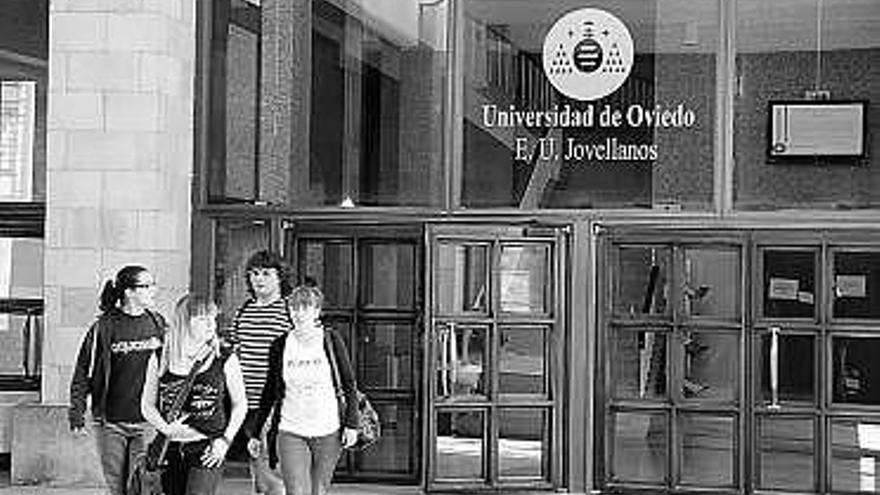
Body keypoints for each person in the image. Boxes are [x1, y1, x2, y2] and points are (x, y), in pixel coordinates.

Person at [247, 285, 358, 495]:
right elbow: (270, 391)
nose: (298, 313)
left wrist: (352, 424)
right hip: (291, 428)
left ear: (316, 311)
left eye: (305, 308)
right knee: (296, 491)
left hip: (328, 429)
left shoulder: (331, 340)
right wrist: (255, 433)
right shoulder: (280, 345)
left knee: (318, 490)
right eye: (294, 308)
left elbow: (349, 384)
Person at [68, 265, 166, 495]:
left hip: (147, 422)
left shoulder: (158, 323)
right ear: (129, 292)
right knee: (116, 487)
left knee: (141, 483)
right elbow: (83, 371)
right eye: (147, 286)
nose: (154, 290)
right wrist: (77, 411)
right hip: (111, 422)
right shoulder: (104, 327)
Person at [141, 294, 247, 495]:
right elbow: (146, 405)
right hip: (169, 448)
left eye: (213, 318)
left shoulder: (223, 356)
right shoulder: (161, 356)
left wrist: (225, 440)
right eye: (202, 318)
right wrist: (166, 428)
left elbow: (240, 404)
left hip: (208, 445)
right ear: (184, 322)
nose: (210, 324)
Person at [226, 250, 293, 495]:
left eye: (266, 273)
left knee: (269, 466)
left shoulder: (289, 310)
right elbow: (235, 350)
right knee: (258, 467)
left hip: (275, 403)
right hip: (245, 403)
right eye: (254, 273)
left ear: (280, 278)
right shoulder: (244, 310)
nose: (259, 279)